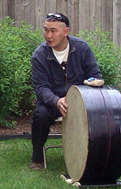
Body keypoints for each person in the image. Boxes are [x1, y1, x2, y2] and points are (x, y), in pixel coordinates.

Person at [30, 13, 104, 170]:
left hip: (80, 100)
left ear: (66, 31)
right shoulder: (39, 55)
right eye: (46, 30)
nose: (48, 35)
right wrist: (57, 101)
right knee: (40, 115)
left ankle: (94, 154)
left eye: (53, 31)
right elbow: (40, 88)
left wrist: (79, 96)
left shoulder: (82, 48)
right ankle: (37, 156)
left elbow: (95, 76)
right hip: (52, 102)